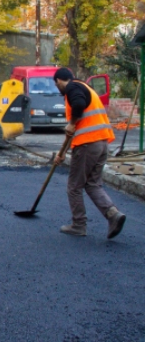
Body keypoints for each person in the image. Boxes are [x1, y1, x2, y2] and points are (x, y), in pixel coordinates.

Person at [53, 68, 126, 239]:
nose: (57, 88)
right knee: (93, 184)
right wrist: (63, 153)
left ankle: (79, 225)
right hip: (101, 143)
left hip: (87, 144)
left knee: (74, 186)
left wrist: (71, 123)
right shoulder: (87, 88)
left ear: (59, 80)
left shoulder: (72, 87)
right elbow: (83, 123)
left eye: (56, 84)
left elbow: (78, 106)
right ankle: (113, 214)